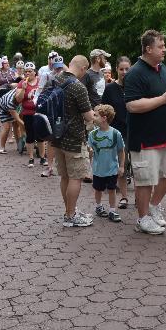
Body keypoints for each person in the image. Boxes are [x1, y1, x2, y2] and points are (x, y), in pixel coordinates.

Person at [125, 30, 166, 235]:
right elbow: (132, 106)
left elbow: (165, 95)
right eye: (160, 46)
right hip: (145, 139)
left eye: (164, 45)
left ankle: (154, 205)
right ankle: (142, 219)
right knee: (145, 181)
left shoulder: (163, 68)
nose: (165, 49)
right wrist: (164, 99)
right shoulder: (135, 73)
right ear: (148, 49)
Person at [53, 55, 95, 227]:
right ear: (84, 69)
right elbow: (88, 116)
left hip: (56, 136)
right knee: (76, 178)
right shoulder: (78, 87)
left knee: (64, 177)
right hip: (74, 139)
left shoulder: (54, 80)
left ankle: (68, 211)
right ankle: (71, 216)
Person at [101, 56, 131, 209]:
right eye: (121, 69)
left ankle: (141, 198)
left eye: (127, 69)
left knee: (140, 166)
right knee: (122, 166)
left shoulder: (136, 86)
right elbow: (104, 110)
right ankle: (124, 197)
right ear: (116, 70)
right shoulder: (110, 88)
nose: (124, 72)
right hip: (118, 132)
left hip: (136, 130)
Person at [88, 104, 125, 223]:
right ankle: (98, 206)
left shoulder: (115, 134)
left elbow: (121, 151)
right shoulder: (92, 135)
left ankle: (112, 210)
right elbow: (90, 150)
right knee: (98, 189)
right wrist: (90, 152)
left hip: (112, 168)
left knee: (112, 189)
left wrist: (122, 166)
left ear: (104, 118)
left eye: (96, 115)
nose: (93, 117)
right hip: (98, 169)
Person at [17, 62, 44, 167]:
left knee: (41, 136)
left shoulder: (40, 82)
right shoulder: (22, 83)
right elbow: (18, 99)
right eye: (26, 71)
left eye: (30, 71)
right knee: (30, 135)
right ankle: (31, 158)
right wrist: (23, 88)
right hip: (27, 113)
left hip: (39, 112)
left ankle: (42, 157)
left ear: (35, 72)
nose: (28, 73)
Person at [0, 86, 24, 154]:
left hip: (12, 108)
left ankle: (19, 146)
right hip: (1, 109)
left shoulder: (21, 91)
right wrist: (24, 124)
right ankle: (2, 147)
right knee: (7, 127)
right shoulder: (10, 102)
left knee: (16, 126)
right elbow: (18, 119)